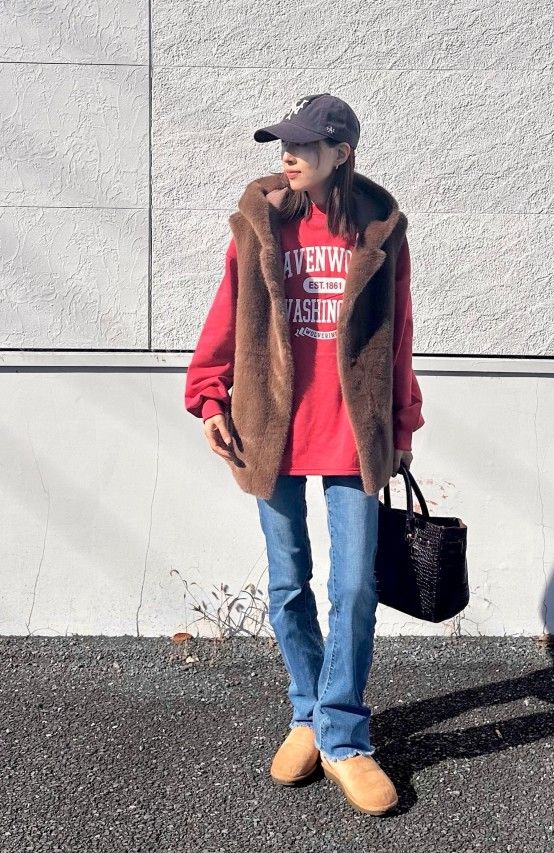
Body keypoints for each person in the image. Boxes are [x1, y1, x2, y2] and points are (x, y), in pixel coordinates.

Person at [184, 93, 425, 816]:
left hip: (353, 427)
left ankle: (344, 735)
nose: (287, 156)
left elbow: (400, 332)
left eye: (304, 146)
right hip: (271, 426)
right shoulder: (260, 224)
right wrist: (209, 394)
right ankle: (307, 713)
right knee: (289, 582)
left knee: (353, 587)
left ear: (341, 153)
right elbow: (228, 309)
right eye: (282, 145)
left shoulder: (380, 230)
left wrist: (403, 422)